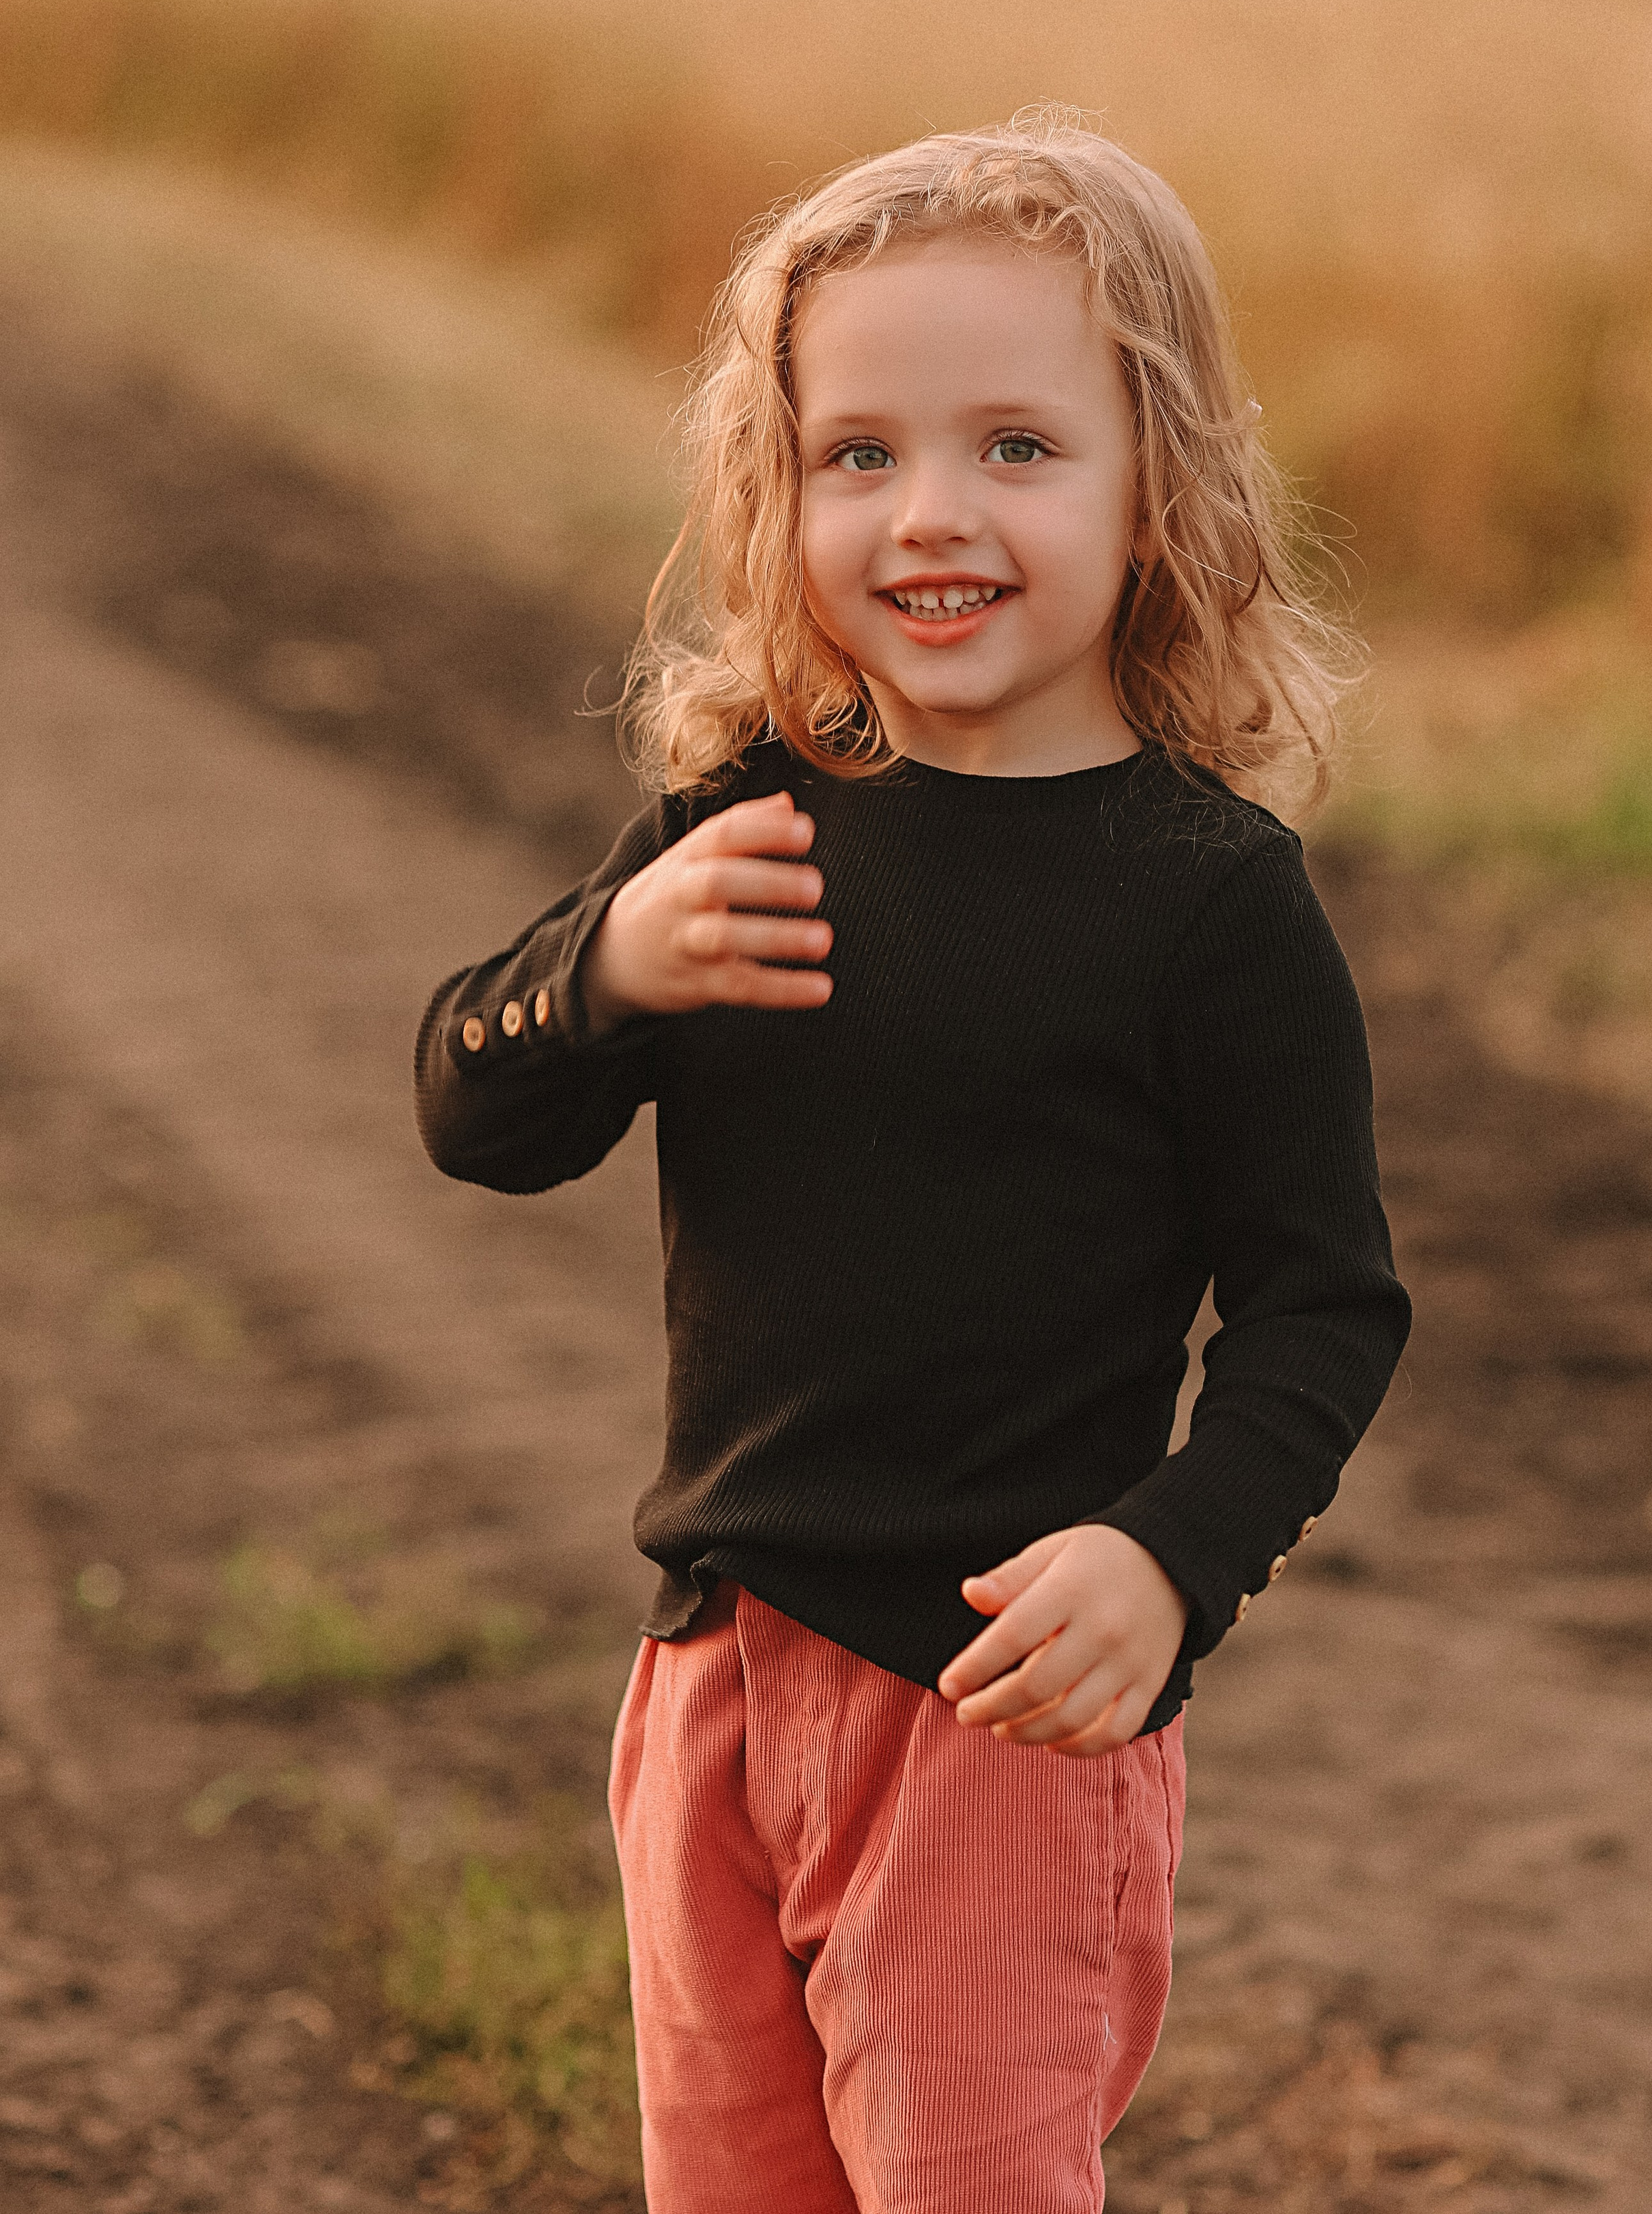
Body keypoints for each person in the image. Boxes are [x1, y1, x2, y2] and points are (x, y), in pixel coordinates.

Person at [414, 112, 1410, 2214]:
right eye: (856, 453)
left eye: (1016, 448)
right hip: (710, 1668)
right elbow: (475, 1112)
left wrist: (1171, 1556)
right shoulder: (746, 830)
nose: (929, 511)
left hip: (992, 1720)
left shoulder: (1205, 903)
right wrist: (602, 969)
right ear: (775, 493)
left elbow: (1324, 1304)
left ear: (1159, 486)